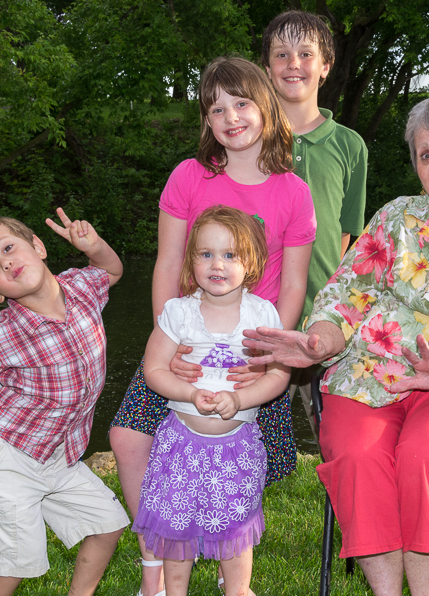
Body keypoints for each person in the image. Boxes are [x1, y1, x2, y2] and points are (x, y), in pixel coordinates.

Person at [242, 93, 429, 596]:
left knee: (428, 451)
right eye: (425, 155)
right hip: (370, 375)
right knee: (359, 454)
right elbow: (344, 297)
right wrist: (319, 342)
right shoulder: (398, 218)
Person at [108, 56, 315, 596]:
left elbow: (293, 283)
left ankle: (232, 569)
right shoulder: (188, 176)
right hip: (185, 339)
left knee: (241, 458)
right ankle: (154, 557)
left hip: (252, 349)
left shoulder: (293, 190)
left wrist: (269, 351)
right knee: (127, 436)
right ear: (206, 120)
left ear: (266, 107)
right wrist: (167, 340)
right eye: (216, 107)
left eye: (241, 103)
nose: (230, 116)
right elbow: (166, 261)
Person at [0, 209, 129, 596]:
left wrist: (94, 247)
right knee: (14, 563)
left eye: (9, 247)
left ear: (38, 247)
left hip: (57, 453)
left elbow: (111, 271)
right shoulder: (0, 332)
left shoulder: (80, 288)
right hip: (3, 459)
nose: (6, 261)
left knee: (107, 524)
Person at [133, 206, 290, 596]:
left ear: (250, 263)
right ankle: (174, 591)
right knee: (176, 525)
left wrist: (240, 399)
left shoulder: (262, 314)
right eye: (206, 254)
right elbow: (154, 369)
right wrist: (188, 392)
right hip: (180, 442)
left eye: (230, 255)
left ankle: (236, 589)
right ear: (191, 261)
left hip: (237, 446)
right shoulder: (178, 312)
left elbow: (279, 375)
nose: (217, 264)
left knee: (234, 527)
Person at [259, 9, 369, 437]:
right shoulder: (248, 136)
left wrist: (329, 304)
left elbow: (345, 233)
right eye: (281, 54)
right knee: (248, 432)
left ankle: (341, 500)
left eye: (305, 53)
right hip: (261, 307)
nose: (293, 64)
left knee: (336, 433)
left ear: (325, 67)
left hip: (323, 316)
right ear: (267, 68)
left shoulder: (350, 146)